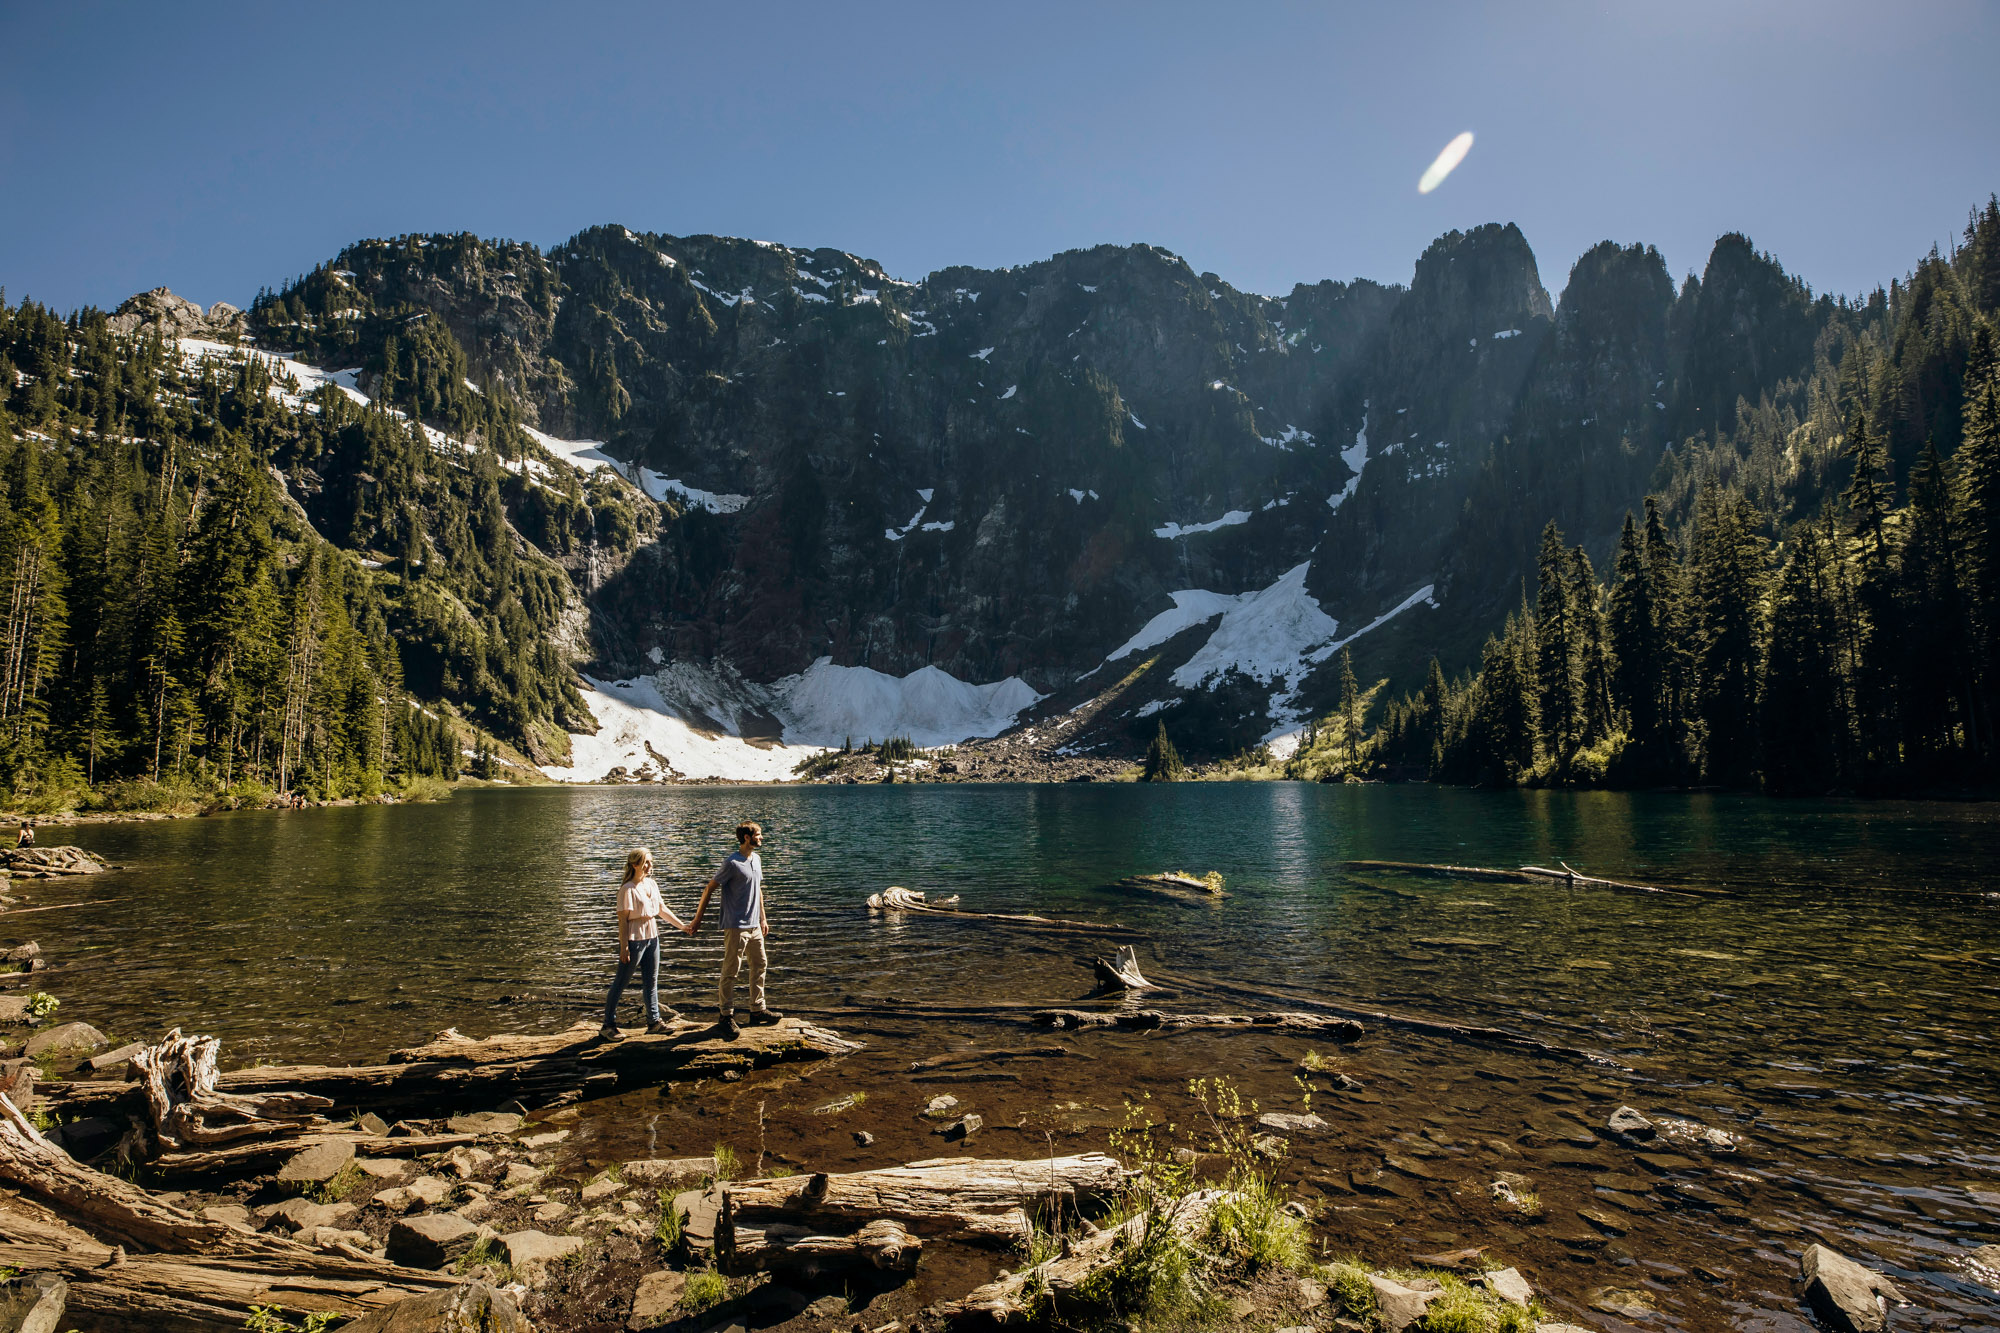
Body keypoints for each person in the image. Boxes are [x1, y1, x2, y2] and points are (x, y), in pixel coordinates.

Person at [689, 821, 779, 1039]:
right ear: (747, 838)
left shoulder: (756, 859)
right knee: (731, 970)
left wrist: (763, 918)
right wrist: (697, 919)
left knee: (760, 964)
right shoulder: (732, 863)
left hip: (755, 925)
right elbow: (710, 888)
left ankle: (757, 1010)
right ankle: (726, 1015)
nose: (762, 838)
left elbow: (758, 891)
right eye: (758, 834)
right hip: (735, 926)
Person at [600, 846, 690, 1041]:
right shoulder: (627, 889)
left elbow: (662, 909)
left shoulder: (651, 884)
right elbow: (622, 921)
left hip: (652, 937)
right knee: (620, 983)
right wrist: (624, 947)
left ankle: (654, 1022)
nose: (650, 866)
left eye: (651, 861)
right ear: (635, 864)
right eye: (646, 862)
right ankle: (608, 1025)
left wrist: (682, 926)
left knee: (651, 982)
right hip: (634, 940)